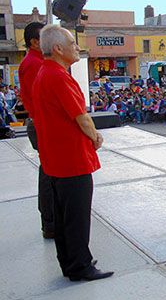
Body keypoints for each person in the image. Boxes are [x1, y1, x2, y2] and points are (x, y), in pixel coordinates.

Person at [32, 24, 112, 281]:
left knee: (65, 215)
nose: (77, 48)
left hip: (56, 158)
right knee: (77, 216)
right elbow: (81, 116)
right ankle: (80, 266)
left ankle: (71, 260)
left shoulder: (45, 73)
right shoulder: (58, 76)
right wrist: (95, 136)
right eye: (72, 44)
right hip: (71, 159)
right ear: (57, 49)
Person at [17, 22, 55, 239]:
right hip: (42, 124)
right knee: (49, 175)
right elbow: (41, 100)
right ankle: (50, 223)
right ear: (34, 42)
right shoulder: (34, 64)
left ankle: (51, 221)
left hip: (41, 123)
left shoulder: (37, 61)